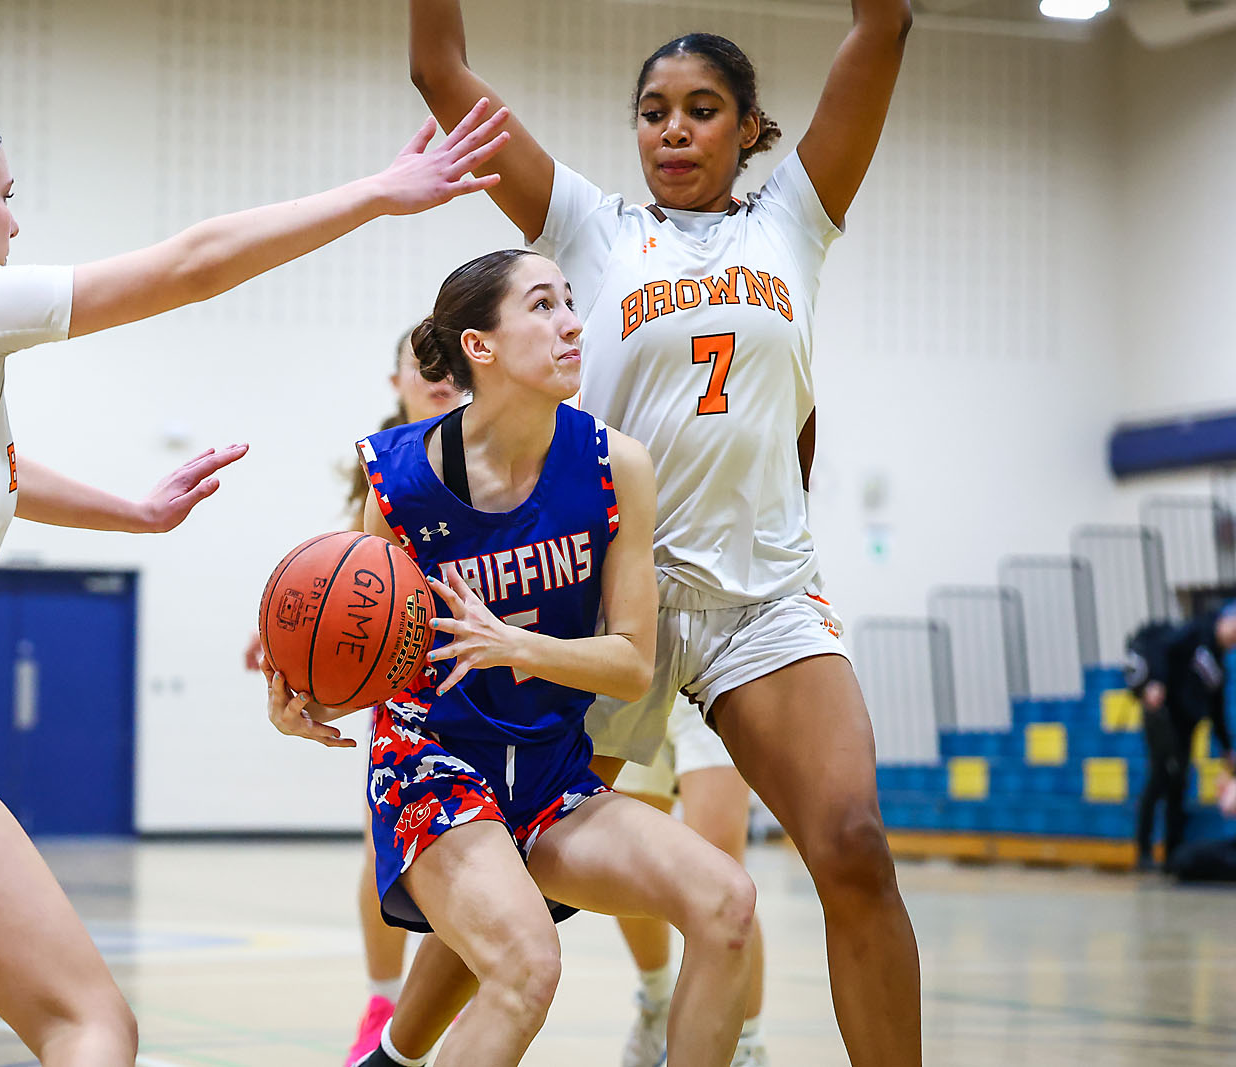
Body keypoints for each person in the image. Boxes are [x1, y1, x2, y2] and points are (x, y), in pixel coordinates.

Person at [0, 96, 509, 1067]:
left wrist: (134, 510)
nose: (16, 219)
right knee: (90, 1023)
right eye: (5, 195)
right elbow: (187, 265)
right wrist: (377, 194)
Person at [367, 2, 922, 1064]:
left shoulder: (796, 218)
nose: (672, 129)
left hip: (759, 597)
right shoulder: (590, 228)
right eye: (652, 111)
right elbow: (439, 69)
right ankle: (392, 1055)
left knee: (852, 846)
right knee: (522, 850)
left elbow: (883, 26)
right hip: (604, 591)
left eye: (701, 111)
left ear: (749, 128)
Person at [267, 249, 757, 1067]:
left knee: (727, 902)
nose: (571, 321)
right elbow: (362, 643)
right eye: (542, 306)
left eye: (571, 302)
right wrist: (305, 699)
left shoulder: (616, 465)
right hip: (435, 765)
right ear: (481, 347)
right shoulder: (399, 480)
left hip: (551, 775)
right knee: (527, 963)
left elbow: (634, 663)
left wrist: (518, 644)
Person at [243, 329, 465, 1065]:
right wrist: (292, 637)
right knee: (387, 846)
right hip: (399, 668)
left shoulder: (489, 452)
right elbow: (346, 569)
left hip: (481, 668)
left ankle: (450, 1004)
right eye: (420, 363)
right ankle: (382, 1003)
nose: (435, 376)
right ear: (395, 377)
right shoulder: (379, 464)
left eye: (446, 365)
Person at [612, 699, 767, 1067]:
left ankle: (745, 1045)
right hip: (641, 675)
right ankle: (658, 1002)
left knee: (722, 878)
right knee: (628, 861)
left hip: (713, 673)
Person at [1125, 608, 1236, 871]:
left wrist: (1227, 748)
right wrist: (1155, 682)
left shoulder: (1219, 667)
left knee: (1179, 783)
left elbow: (1216, 710)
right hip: (1163, 715)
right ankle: (1144, 850)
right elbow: (1162, 648)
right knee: (1159, 777)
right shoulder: (1195, 632)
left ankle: (1172, 855)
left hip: (1187, 726)